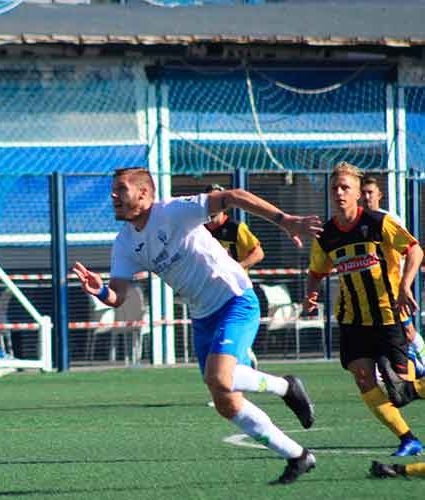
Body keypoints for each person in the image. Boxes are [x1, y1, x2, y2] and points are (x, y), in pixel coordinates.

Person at [73, 167, 321, 484]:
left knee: (219, 377)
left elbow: (233, 197)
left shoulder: (174, 211)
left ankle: (287, 387)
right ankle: (297, 456)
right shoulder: (124, 243)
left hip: (235, 300)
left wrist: (284, 220)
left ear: (144, 194)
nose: (113, 196)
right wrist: (100, 291)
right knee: (225, 401)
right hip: (202, 316)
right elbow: (117, 296)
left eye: (121, 189)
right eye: (113, 190)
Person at [303, 162, 425, 457]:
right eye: (335, 188)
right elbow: (317, 271)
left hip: (387, 316)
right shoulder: (326, 234)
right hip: (352, 319)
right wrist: (311, 294)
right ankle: (408, 439)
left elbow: (415, 250)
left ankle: (413, 382)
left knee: (402, 392)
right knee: (362, 377)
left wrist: (405, 286)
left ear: (358, 192)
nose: (339, 193)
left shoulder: (379, 222)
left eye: (346, 187)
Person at [360, 175, 425, 377]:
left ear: (380, 194)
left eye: (370, 192)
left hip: (393, 287)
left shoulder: (389, 220)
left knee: (408, 331)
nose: (366, 196)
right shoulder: (357, 222)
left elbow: (409, 250)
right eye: (363, 192)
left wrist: (403, 284)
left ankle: (420, 366)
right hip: (370, 292)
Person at [204, 184, 263, 370]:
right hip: (209, 294)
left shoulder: (236, 228)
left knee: (224, 344)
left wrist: (237, 267)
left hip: (235, 292)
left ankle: (239, 370)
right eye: (209, 201)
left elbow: (258, 253)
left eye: (216, 201)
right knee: (212, 345)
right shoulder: (199, 229)